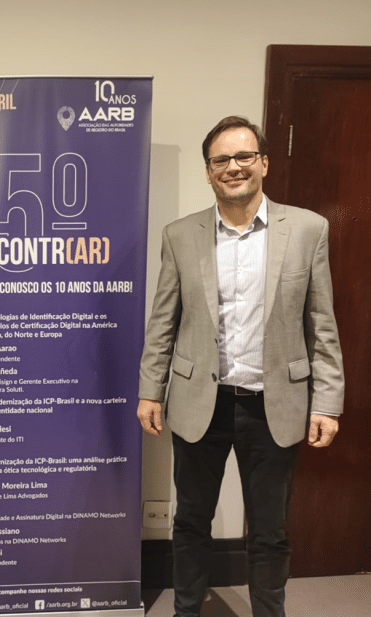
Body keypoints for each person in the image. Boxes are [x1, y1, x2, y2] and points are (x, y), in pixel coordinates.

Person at [137, 116, 344, 617]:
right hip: (199, 404)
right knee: (190, 523)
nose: (233, 167)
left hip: (274, 406)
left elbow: (321, 322)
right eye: (221, 160)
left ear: (264, 163)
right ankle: (187, 610)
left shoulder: (308, 230)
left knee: (270, 531)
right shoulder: (180, 234)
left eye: (244, 156)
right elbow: (163, 320)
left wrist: (328, 402)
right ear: (209, 171)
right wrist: (150, 389)